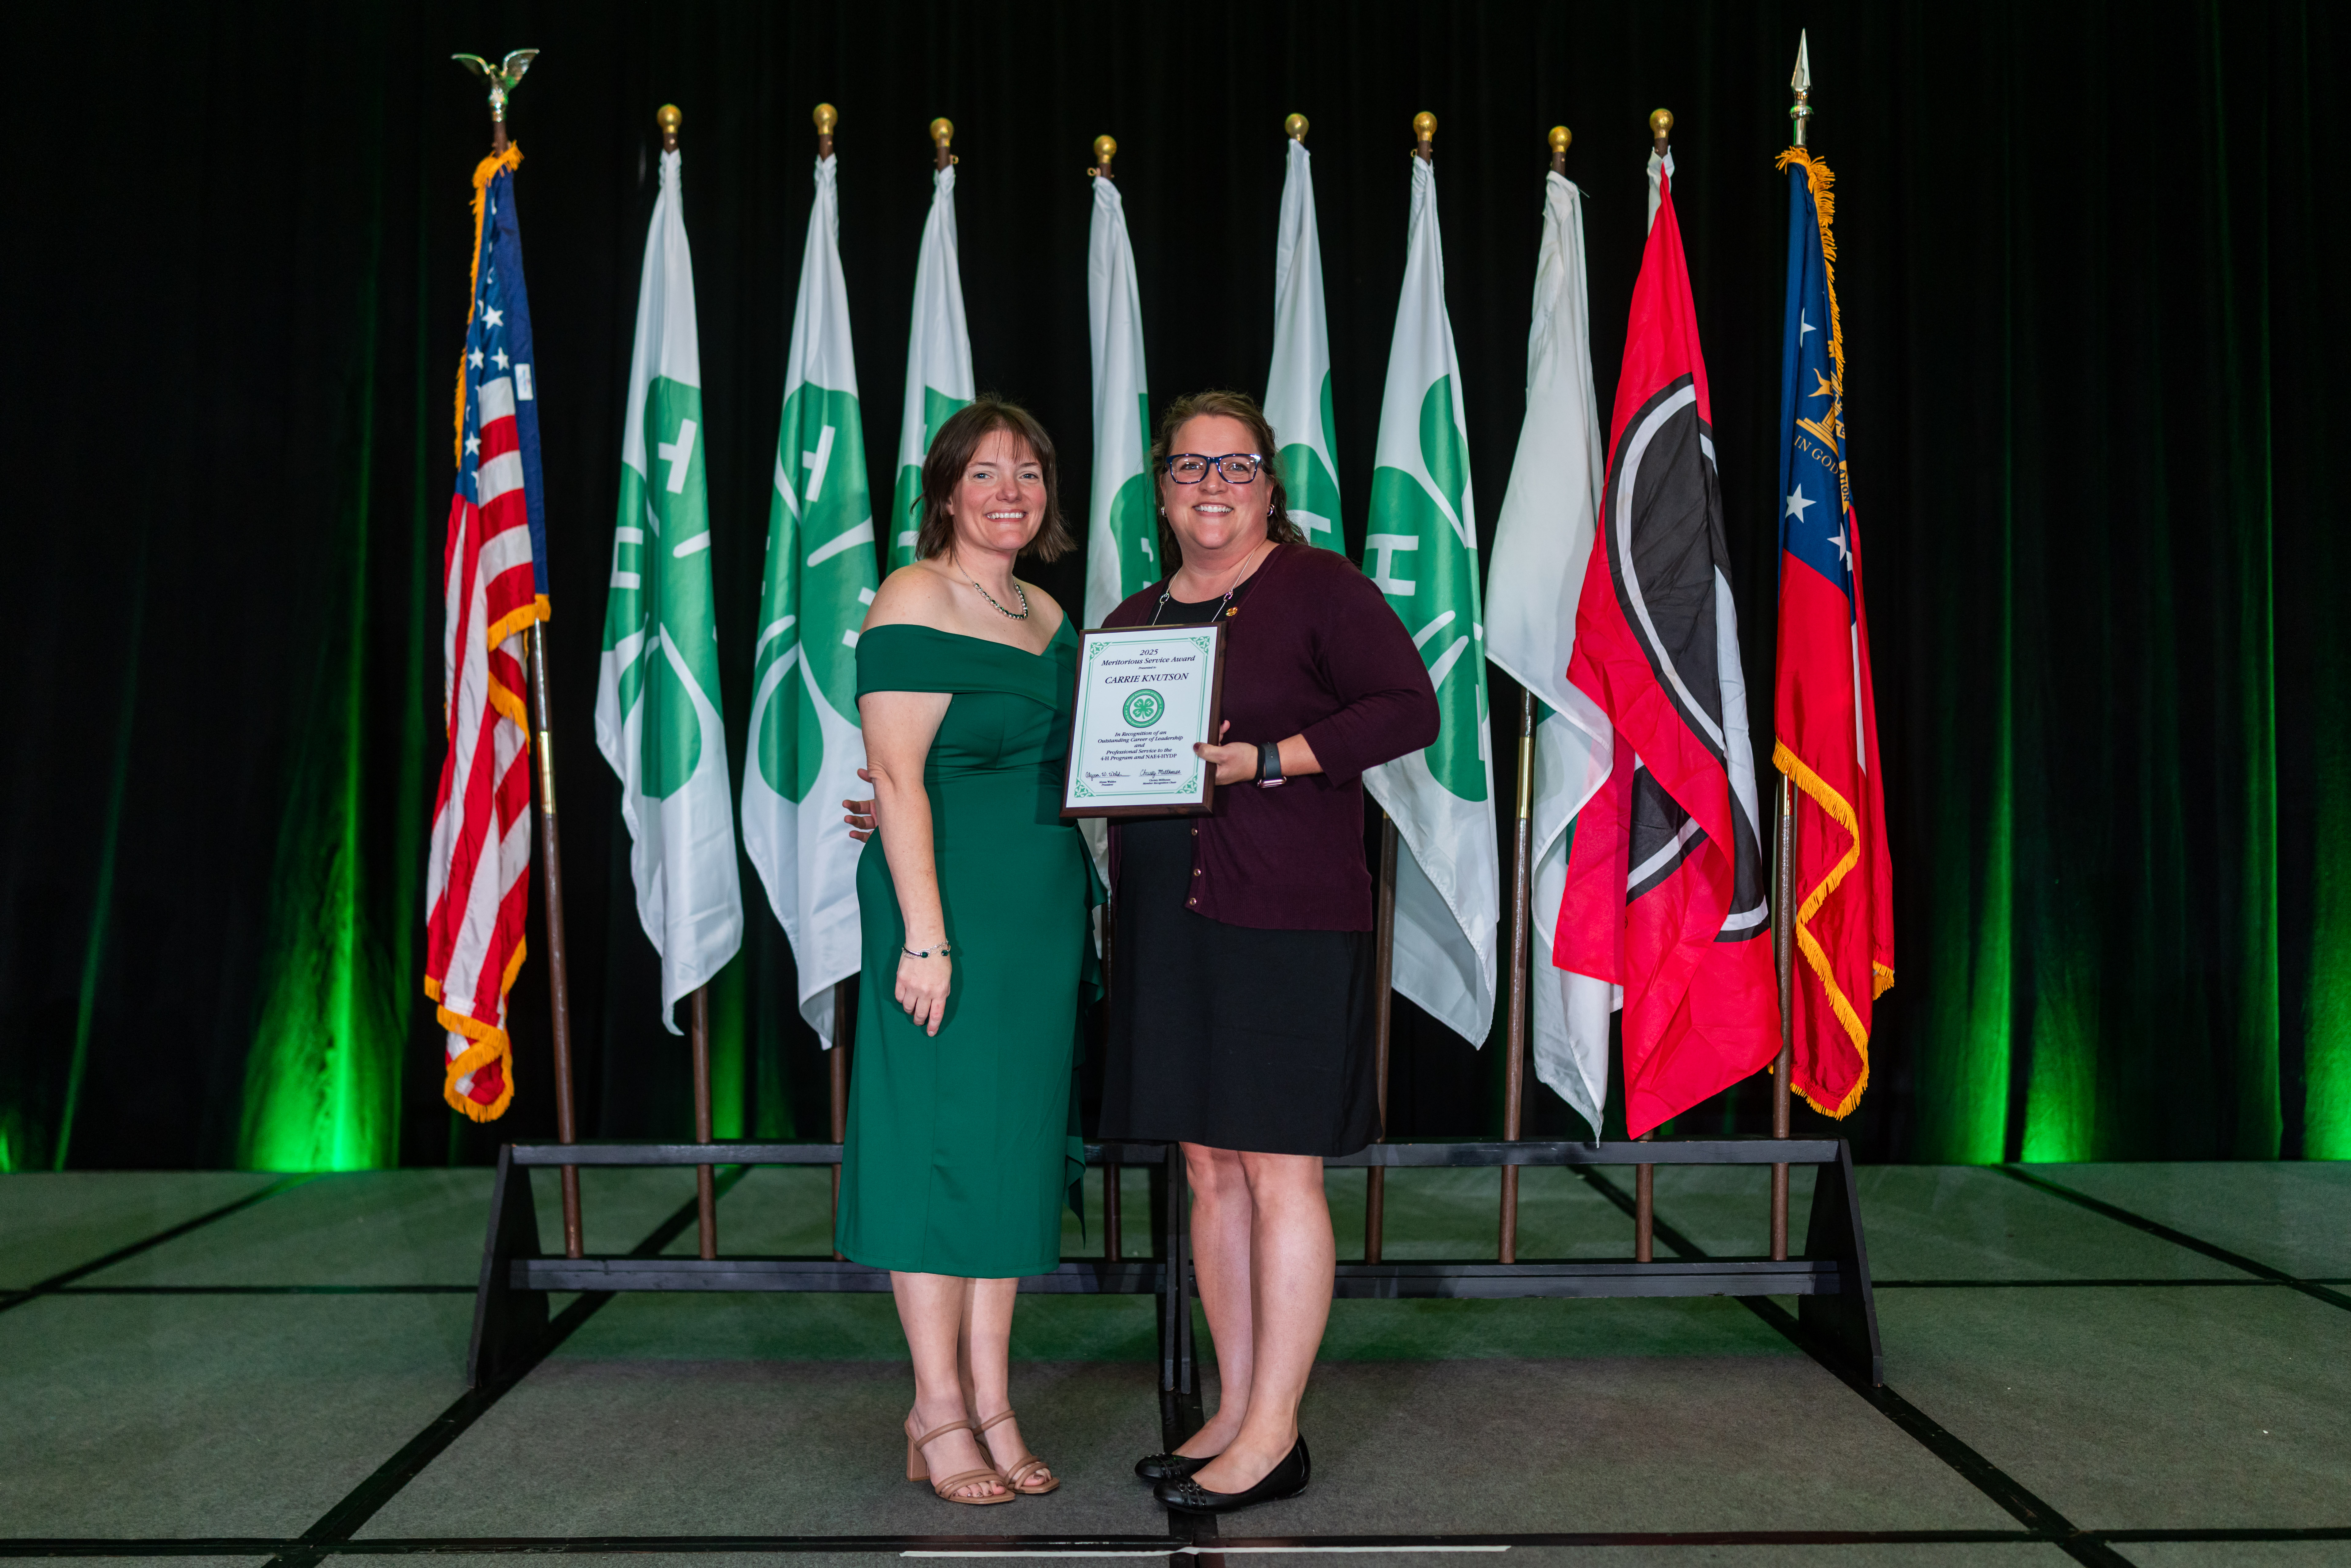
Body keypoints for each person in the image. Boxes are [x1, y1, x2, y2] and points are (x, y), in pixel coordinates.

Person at [1101, 390, 1439, 1514]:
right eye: (1191, 467)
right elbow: (1089, 763)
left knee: (1279, 1167)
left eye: (1235, 467)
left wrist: (1275, 758)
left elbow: (1408, 708)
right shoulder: (1134, 615)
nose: (1211, 486)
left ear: (1270, 486)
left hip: (1287, 919)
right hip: (1172, 924)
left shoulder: (1319, 588)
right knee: (1207, 1165)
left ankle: (1277, 1431)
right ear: (1161, 487)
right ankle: (1236, 1409)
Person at [839, 397, 1092, 1507]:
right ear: (945, 490)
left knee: (1011, 1150)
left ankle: (993, 1397)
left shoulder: (1047, 612)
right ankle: (933, 1404)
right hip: (939, 915)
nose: (1010, 492)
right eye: (986, 473)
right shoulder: (912, 596)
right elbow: (896, 778)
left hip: (1041, 911)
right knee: (935, 1147)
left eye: (1028, 474)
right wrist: (924, 937)